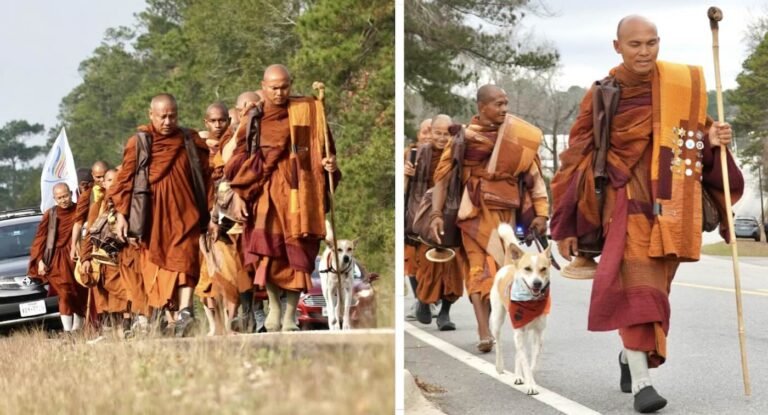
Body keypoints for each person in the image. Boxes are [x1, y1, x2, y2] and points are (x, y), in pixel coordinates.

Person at [550, 16, 744, 413]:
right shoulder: (603, 94)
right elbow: (576, 157)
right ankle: (643, 384)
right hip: (622, 205)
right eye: (635, 44)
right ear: (617, 46)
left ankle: (628, 355)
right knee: (636, 289)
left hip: (671, 208)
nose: (644, 51)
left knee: (657, 293)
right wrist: (566, 221)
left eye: (651, 43)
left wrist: (716, 140)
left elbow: (698, 140)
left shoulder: (679, 86)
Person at [430, 85, 549, 352]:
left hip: (506, 215)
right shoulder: (463, 138)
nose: (504, 109)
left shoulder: (518, 138)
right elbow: (442, 178)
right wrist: (437, 214)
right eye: (498, 104)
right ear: (481, 107)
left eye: (506, 103)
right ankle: (484, 332)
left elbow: (534, 179)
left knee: (501, 272)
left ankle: (496, 324)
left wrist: (541, 213)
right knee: (477, 270)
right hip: (472, 213)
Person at [228, 64, 339, 332]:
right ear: (263, 86)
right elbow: (238, 157)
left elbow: (323, 148)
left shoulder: (308, 110)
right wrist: (240, 193)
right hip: (264, 190)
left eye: (284, 87)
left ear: (291, 84)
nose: (279, 93)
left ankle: (290, 312)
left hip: (300, 190)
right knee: (269, 251)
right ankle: (274, 308)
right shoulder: (254, 117)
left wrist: (329, 165)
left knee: (298, 251)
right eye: (274, 88)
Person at [111, 93, 211, 337]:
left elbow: (206, 175)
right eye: (163, 117)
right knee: (156, 265)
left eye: (172, 116)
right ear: (151, 115)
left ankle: (186, 311)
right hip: (153, 218)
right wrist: (122, 215)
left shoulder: (189, 139)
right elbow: (123, 181)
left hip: (186, 213)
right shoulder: (140, 142)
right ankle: (166, 314)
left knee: (187, 259)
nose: (168, 121)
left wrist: (209, 209)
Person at [406, 115, 466, 330]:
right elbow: (408, 189)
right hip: (424, 216)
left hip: (452, 215)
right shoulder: (418, 155)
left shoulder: (460, 153)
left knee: (453, 268)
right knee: (428, 267)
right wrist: (406, 174)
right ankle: (423, 300)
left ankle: (444, 314)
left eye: (446, 133)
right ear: (430, 133)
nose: (442, 138)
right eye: (437, 133)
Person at [28, 183, 88, 333]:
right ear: (54, 198)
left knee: (78, 291)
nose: (63, 200)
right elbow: (40, 239)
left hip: (75, 256)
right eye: (59, 198)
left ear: (71, 194)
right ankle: (67, 329)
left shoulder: (79, 210)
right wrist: (40, 261)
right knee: (64, 293)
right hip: (56, 259)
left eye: (65, 196)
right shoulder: (51, 214)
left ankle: (77, 328)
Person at [79, 169, 131, 338]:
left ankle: (129, 326)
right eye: (108, 180)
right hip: (103, 257)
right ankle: (115, 333)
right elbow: (89, 233)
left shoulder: (127, 201)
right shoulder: (98, 204)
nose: (111, 183)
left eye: (115, 180)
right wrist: (85, 257)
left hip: (126, 256)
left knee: (128, 293)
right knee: (108, 298)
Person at [405, 118, 434, 321]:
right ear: (418, 135)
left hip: (433, 214)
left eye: (432, 132)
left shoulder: (443, 156)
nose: (428, 136)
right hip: (411, 214)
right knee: (411, 261)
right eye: (425, 131)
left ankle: (428, 299)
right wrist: (405, 174)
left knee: (429, 259)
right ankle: (420, 300)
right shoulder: (409, 154)